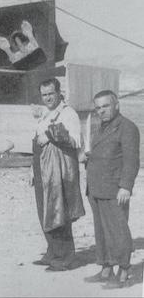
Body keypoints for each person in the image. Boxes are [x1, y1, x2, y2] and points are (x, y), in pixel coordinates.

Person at [84, 90, 140, 289]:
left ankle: (123, 271)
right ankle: (106, 267)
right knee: (101, 231)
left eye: (105, 106)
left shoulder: (127, 128)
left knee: (117, 231)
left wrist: (126, 186)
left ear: (116, 105)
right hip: (96, 187)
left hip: (114, 189)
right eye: (98, 107)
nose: (101, 111)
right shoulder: (101, 127)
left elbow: (132, 161)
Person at [31, 78, 85, 271]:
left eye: (51, 94)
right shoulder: (45, 114)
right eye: (44, 95)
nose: (47, 98)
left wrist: (53, 135)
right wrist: (33, 169)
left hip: (59, 170)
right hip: (41, 168)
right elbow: (37, 143)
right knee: (44, 210)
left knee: (59, 211)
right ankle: (52, 252)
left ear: (59, 92)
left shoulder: (68, 113)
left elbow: (76, 141)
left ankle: (65, 257)